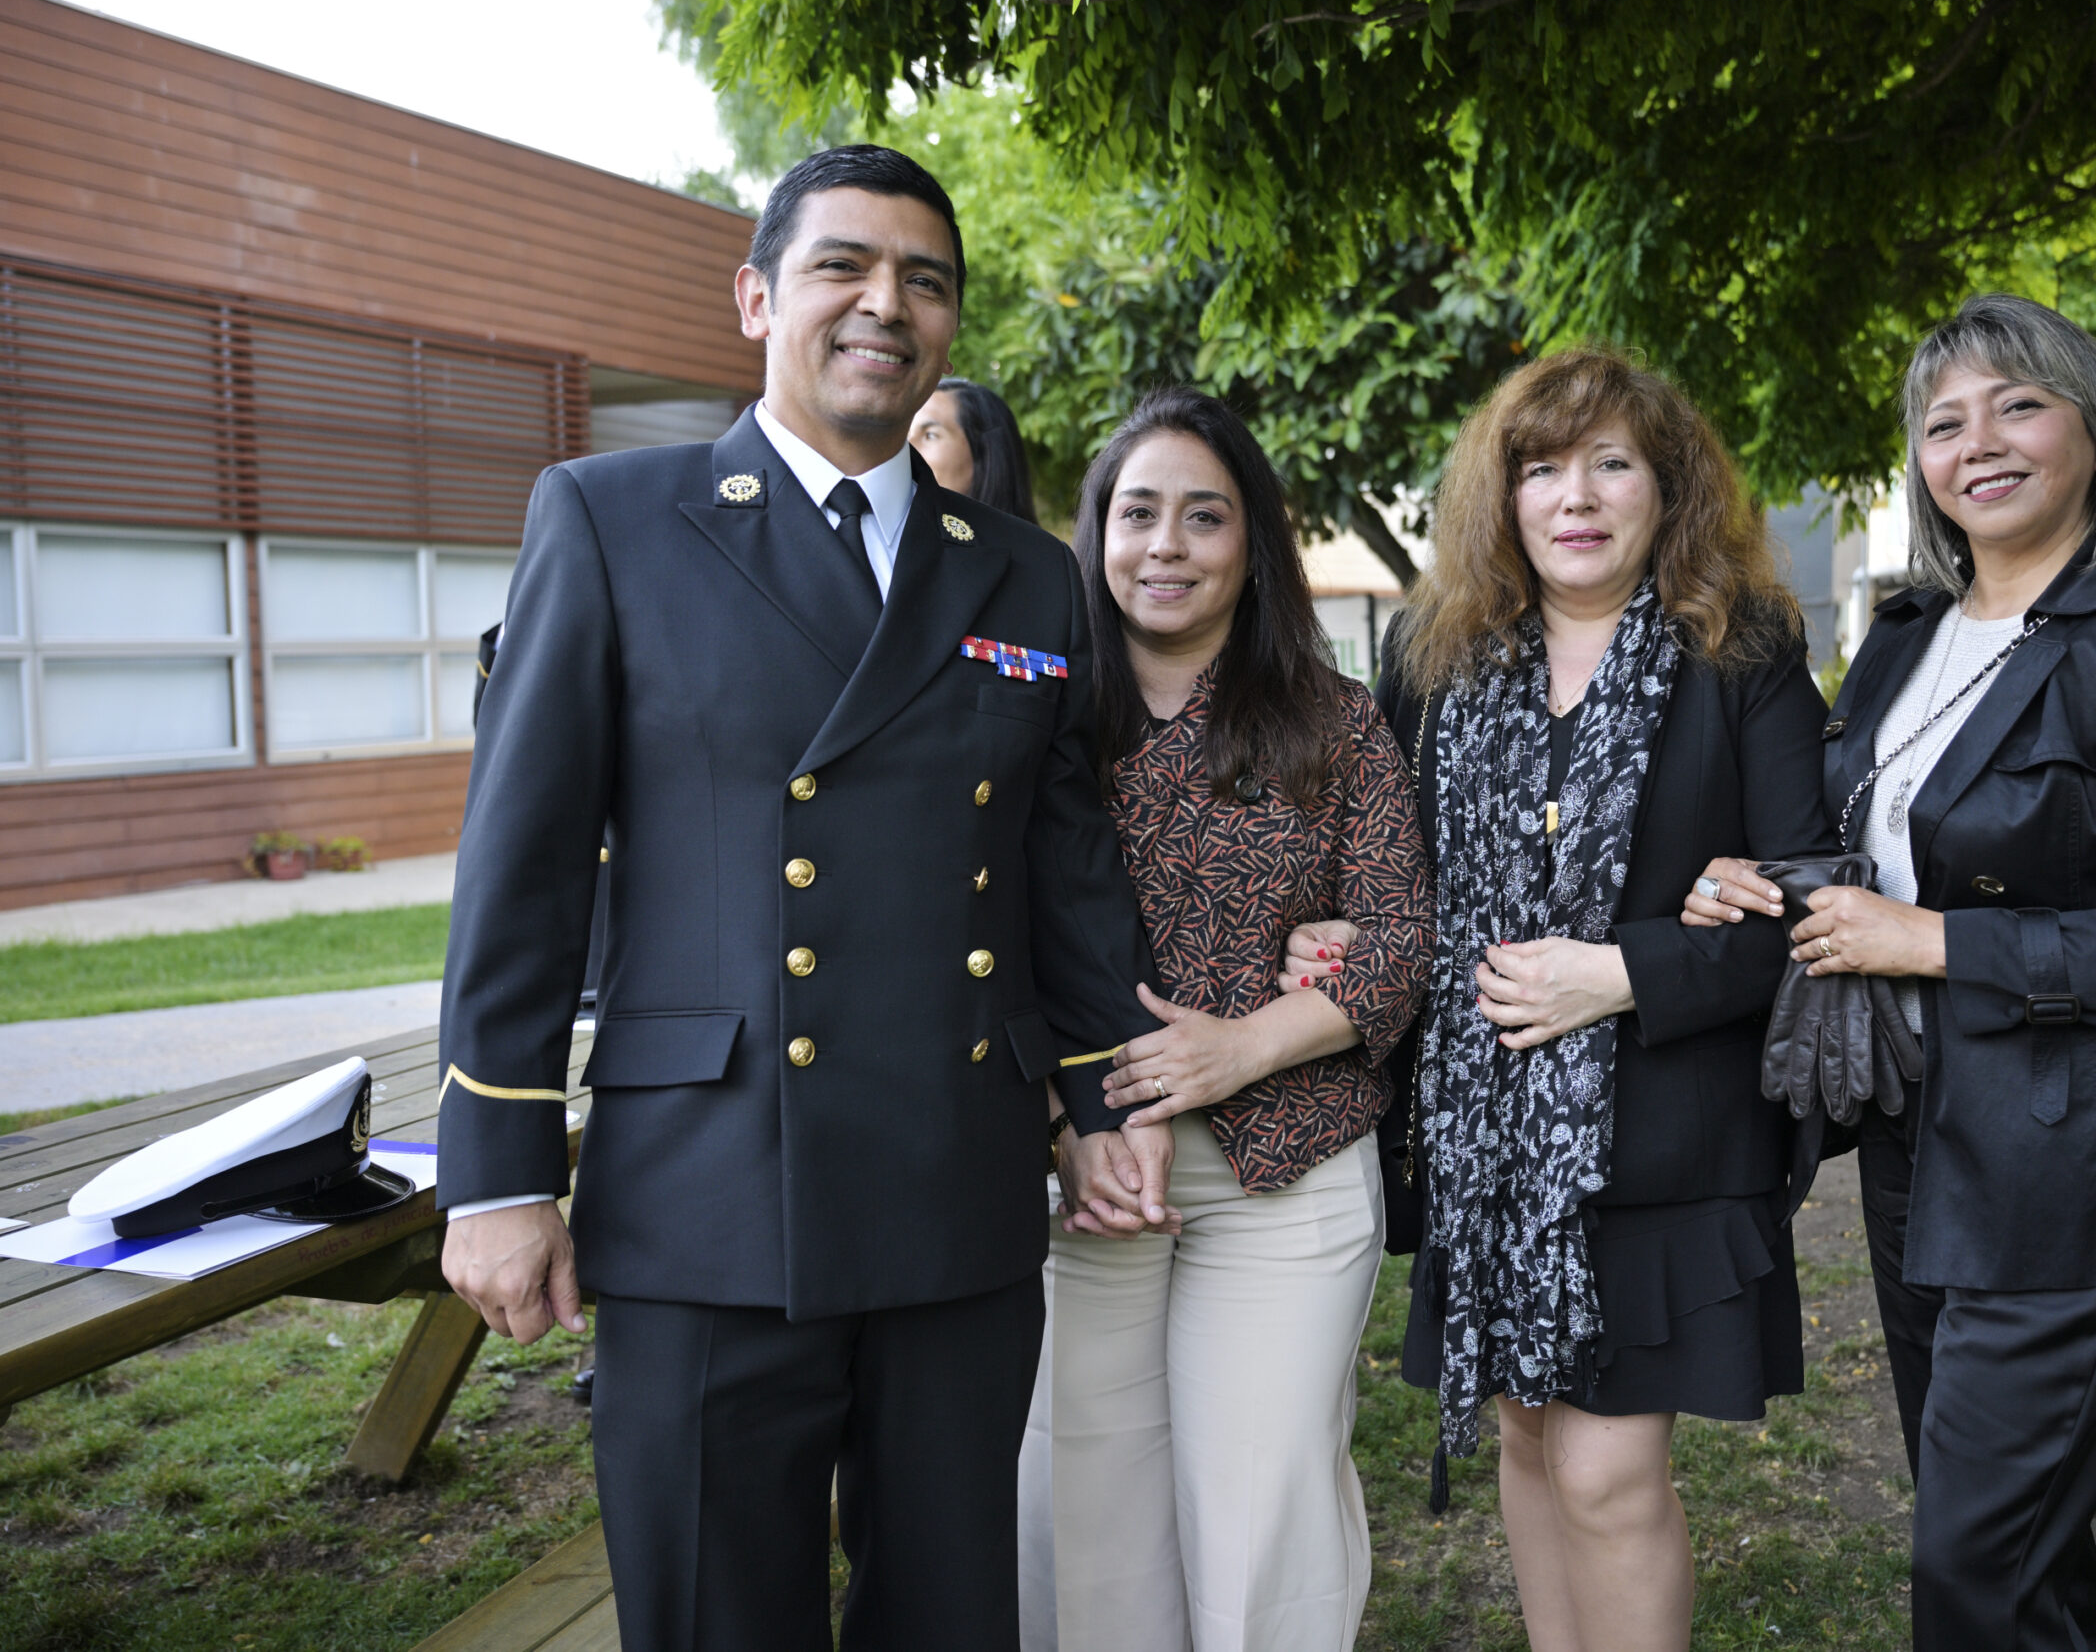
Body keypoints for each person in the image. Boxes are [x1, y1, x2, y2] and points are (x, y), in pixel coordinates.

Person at [436, 143, 1175, 1652]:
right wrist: (497, 1171)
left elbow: (1063, 861)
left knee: (946, 1615)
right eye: (844, 265)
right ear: (758, 297)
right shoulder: (613, 518)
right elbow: (522, 867)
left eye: (925, 281)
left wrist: (1104, 1094)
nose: (885, 304)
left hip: (955, 1186)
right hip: (709, 1190)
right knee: (719, 1614)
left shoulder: (1025, 572)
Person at [1682, 293, 2096, 1651]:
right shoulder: (1908, 634)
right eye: (1944, 422)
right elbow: (1875, 839)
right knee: (2015, 1551)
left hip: (2077, 1156)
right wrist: (1762, 879)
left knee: (1975, 1560)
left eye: (2019, 404)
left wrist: (1936, 942)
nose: (1979, 443)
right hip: (1920, 1132)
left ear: (2093, 433)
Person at [1290, 347, 1826, 1651]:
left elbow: (1811, 905)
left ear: (1668, 487)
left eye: (1611, 463)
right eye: (1540, 468)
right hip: (1485, 1150)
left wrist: (1623, 970)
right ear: (1504, 494)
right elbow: (1395, 874)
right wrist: (1346, 923)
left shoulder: (1741, 650)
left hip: (1663, 1141)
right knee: (1526, 1446)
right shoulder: (1436, 659)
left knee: (1602, 1472)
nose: (1574, 496)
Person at [1019, 387, 1432, 1652]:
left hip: (1285, 1174)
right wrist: (1064, 1121)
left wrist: (1242, 1045)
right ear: (1094, 533)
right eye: (1137, 513)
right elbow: (976, 934)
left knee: (1263, 1516)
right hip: (1089, 1169)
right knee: (1081, 1509)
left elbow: (1401, 941)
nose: (1166, 545)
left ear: (1253, 543)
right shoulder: (1032, 711)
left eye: (1205, 517)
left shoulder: (1334, 719)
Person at [910, 374, 1040, 523]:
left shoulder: (1030, 540)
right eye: (904, 435)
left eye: (930, 435)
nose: (905, 447)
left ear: (987, 453)